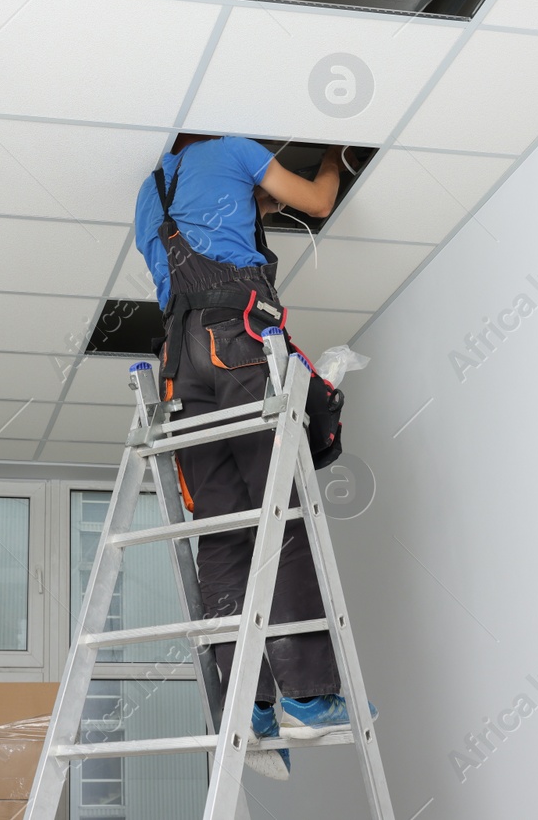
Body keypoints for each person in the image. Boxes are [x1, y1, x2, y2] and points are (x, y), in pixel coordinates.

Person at [132, 134, 372, 781]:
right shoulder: (233, 147)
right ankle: (308, 695)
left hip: (181, 374)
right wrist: (334, 159)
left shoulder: (148, 195)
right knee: (282, 516)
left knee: (225, 538)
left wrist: (253, 202)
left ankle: (253, 709)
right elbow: (318, 203)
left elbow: (206, 236)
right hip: (234, 347)